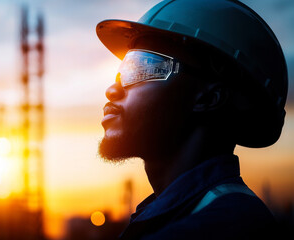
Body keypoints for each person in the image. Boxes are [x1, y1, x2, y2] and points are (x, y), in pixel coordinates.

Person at [96, 0, 288, 239]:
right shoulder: (186, 215)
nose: (112, 90)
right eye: (122, 71)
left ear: (209, 98)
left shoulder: (227, 227)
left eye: (143, 68)